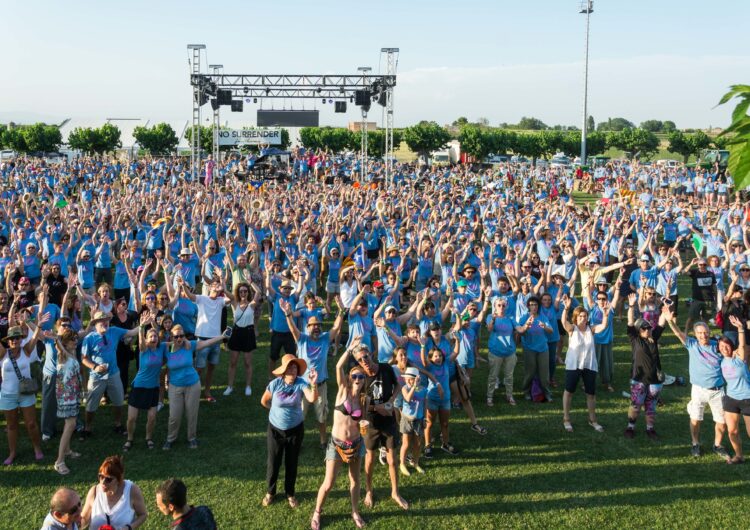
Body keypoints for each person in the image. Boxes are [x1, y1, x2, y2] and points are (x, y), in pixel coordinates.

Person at [310, 341, 368, 530]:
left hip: (356, 444)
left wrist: (364, 426)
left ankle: (355, 511)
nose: (358, 378)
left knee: (355, 480)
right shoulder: (343, 389)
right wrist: (350, 349)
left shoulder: (363, 399)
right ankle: (317, 511)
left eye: (361, 376)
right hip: (336, 444)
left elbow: (362, 422)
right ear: (350, 378)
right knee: (329, 483)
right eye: (355, 376)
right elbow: (338, 366)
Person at [665, 310, 731, 460]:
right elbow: (678, 334)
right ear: (695, 334)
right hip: (698, 390)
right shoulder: (692, 344)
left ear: (709, 332)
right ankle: (695, 443)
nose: (703, 335)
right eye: (700, 333)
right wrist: (670, 321)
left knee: (722, 421)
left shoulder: (718, 346)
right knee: (695, 418)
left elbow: (732, 354)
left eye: (705, 332)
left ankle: (718, 445)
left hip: (718, 390)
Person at [281, 299, 345, 449]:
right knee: (299, 416)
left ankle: (323, 442)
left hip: (320, 384)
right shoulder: (302, 338)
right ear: (307, 327)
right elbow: (292, 329)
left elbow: (336, 327)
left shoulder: (324, 339)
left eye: (318, 325)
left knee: (321, 415)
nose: (316, 328)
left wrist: (341, 312)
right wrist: (288, 314)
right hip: (302, 385)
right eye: (313, 326)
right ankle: (298, 441)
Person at [353, 344, 410, 511]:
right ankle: (369, 491)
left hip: (389, 421)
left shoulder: (385, 368)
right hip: (370, 423)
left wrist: (390, 402)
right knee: (369, 460)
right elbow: (357, 404)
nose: (364, 361)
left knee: (393, 460)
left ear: (371, 354)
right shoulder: (360, 377)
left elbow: (398, 386)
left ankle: (395, 492)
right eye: (360, 359)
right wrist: (378, 408)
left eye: (365, 356)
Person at [260, 353, 319, 509]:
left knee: (291, 463)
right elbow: (264, 401)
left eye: (295, 367)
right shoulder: (275, 384)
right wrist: (273, 411)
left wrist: (314, 383)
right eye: (290, 367)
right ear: (284, 370)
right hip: (275, 430)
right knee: (274, 462)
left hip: (295, 430)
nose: (293, 370)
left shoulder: (301, 383)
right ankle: (270, 492)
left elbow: (312, 398)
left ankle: (290, 493)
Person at [163, 325, 228, 450]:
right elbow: (150, 344)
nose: (179, 339)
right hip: (175, 386)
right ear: (171, 337)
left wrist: (222, 336)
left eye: (182, 336)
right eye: (176, 336)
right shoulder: (166, 347)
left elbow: (207, 342)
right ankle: (170, 438)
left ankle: (192, 438)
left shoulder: (190, 345)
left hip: (193, 384)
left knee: (192, 413)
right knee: (174, 415)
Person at [79, 310, 141, 439]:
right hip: (97, 377)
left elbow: (131, 332)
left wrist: (144, 324)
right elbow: (84, 358)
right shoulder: (89, 338)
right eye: (101, 321)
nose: (105, 322)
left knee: (119, 401)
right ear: (95, 324)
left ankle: (118, 424)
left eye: (106, 320)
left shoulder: (114, 331)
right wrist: (95, 367)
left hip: (114, 373)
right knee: (91, 405)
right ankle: (88, 427)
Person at [559, 297, 608, 432]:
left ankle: (593, 420)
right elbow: (564, 322)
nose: (583, 318)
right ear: (576, 317)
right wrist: (566, 308)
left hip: (589, 365)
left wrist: (605, 314)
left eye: (585, 316)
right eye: (580, 316)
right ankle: (566, 419)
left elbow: (603, 326)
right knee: (569, 392)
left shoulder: (591, 329)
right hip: (573, 365)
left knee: (591, 394)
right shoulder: (572, 329)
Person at [624, 293, 667, 439]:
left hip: (655, 379)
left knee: (651, 406)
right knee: (635, 405)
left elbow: (661, 323)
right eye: (643, 328)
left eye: (648, 328)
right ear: (638, 331)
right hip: (639, 379)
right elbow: (630, 322)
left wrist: (665, 309)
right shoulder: (635, 340)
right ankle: (630, 427)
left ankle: (650, 429)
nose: (647, 330)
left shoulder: (653, 338)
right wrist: (631, 306)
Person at [182, 277, 231, 402]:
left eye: (217, 284)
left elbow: (232, 298)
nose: (216, 285)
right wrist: (183, 285)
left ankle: (207, 391)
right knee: (199, 369)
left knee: (211, 367)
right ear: (209, 288)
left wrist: (223, 284)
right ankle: (193, 392)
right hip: (202, 340)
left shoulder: (221, 300)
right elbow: (189, 296)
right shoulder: (202, 298)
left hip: (216, 340)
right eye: (213, 284)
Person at [1, 324, 44, 465]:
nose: (15, 340)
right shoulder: (3, 353)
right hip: (8, 395)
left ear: (21, 339)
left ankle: (37, 448)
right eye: (12, 338)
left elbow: (36, 336)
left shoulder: (26, 350)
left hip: (26, 393)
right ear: (8, 341)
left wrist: (39, 324)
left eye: (18, 337)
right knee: (11, 425)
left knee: (31, 423)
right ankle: (12, 453)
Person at [124, 325, 167, 452]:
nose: (153, 338)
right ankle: (129, 438)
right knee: (132, 418)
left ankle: (148, 438)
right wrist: (142, 327)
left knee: (152, 417)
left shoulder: (162, 348)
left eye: (155, 336)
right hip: (139, 387)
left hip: (153, 388)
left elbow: (171, 346)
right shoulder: (143, 349)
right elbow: (141, 340)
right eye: (150, 337)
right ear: (147, 339)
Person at [81, 455, 148, 530]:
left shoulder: (132, 491)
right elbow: (84, 519)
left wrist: (129, 527)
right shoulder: (94, 492)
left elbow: (143, 515)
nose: (103, 482)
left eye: (108, 479)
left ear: (119, 479)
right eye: (101, 476)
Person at [719, 315, 749, 464]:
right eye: (721, 347)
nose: (724, 349)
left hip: (747, 398)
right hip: (731, 398)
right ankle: (739, 456)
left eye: (727, 346)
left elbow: (742, 346)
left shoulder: (739, 357)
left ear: (732, 346)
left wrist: (740, 329)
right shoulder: (722, 360)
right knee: (732, 431)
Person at [53, 329, 83, 475]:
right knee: (70, 425)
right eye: (72, 339)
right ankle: (59, 461)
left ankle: (67, 450)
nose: (75, 341)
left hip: (73, 393)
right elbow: (58, 345)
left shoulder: (72, 354)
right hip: (66, 396)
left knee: (70, 424)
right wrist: (56, 339)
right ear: (65, 342)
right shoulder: (62, 355)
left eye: (76, 339)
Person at [223, 281, 261, 397]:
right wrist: (222, 278)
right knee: (233, 362)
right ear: (238, 293)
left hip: (248, 333)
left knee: (247, 362)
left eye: (245, 291)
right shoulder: (235, 302)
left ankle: (248, 386)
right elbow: (225, 291)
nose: (243, 293)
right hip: (236, 333)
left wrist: (251, 282)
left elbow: (258, 292)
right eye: (241, 291)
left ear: (248, 292)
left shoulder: (252, 304)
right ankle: (230, 386)